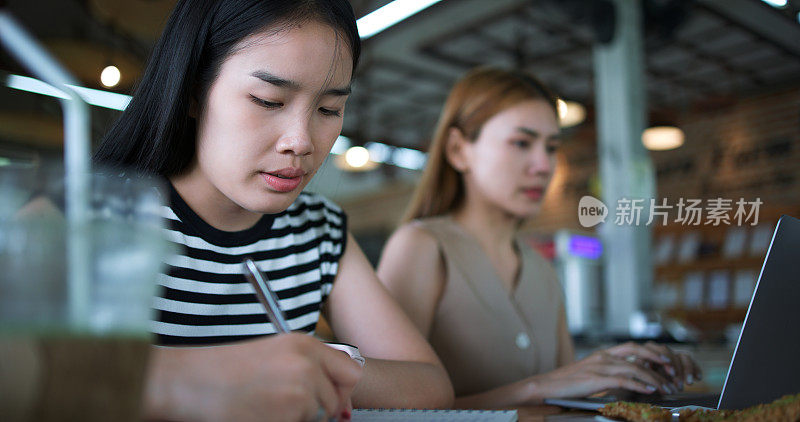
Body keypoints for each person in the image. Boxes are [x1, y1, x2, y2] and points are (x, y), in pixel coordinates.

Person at [93, 1, 453, 420]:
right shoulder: (88, 219)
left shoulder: (317, 232)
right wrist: (231, 372)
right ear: (193, 91)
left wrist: (311, 366)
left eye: (328, 109)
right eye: (268, 100)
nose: (300, 141)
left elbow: (431, 385)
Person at [376, 67, 701, 409]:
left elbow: (564, 401)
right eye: (521, 142)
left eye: (551, 147)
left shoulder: (542, 270)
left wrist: (627, 382)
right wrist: (536, 389)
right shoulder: (421, 247)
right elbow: (382, 410)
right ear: (459, 150)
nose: (544, 165)